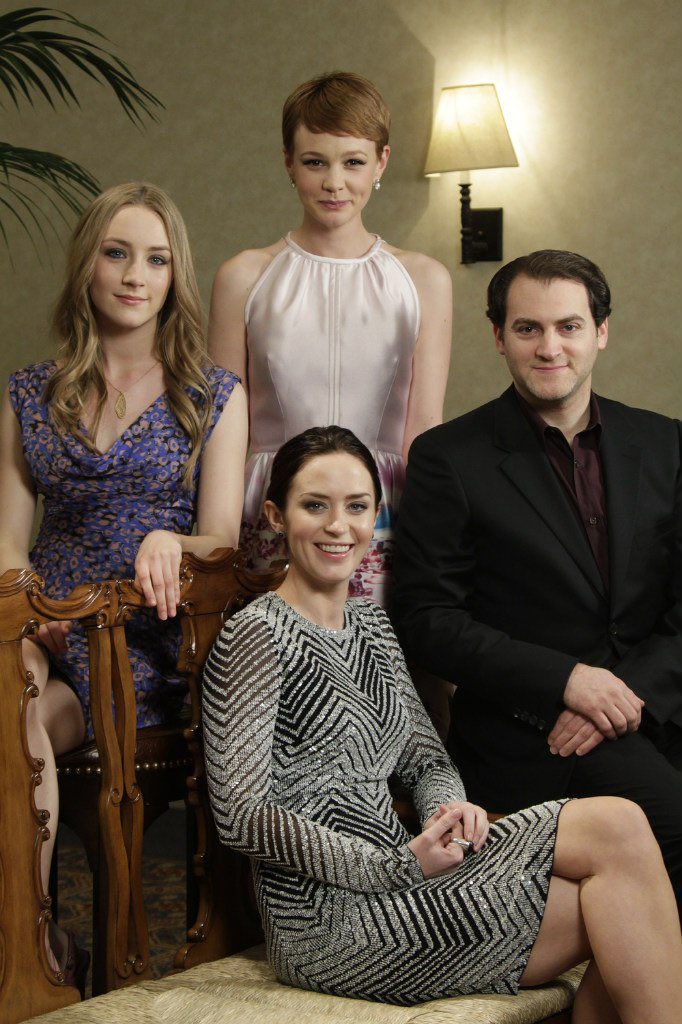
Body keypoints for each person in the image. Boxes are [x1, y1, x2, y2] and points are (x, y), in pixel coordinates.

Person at [203, 425, 682, 1022]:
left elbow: (425, 759)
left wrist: (446, 811)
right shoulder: (255, 635)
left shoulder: (372, 627)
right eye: (315, 506)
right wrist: (395, 867)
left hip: (411, 872)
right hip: (329, 922)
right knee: (621, 901)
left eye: (357, 507)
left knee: (621, 826)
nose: (338, 526)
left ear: (376, 516)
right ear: (276, 516)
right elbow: (241, 814)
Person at [0, 182, 247, 984]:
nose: (136, 275)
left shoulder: (213, 394)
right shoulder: (30, 391)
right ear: (88, 264)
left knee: (18, 722)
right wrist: (29, 603)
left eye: (156, 259)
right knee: (6, 695)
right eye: (117, 253)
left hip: (143, 640)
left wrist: (171, 539)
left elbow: (223, 537)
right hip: (47, 627)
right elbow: (5, 536)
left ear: (176, 276)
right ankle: (35, 940)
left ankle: (32, 949)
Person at [392, 249, 682, 906]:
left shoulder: (666, 444)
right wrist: (567, 681)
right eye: (528, 328)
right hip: (533, 731)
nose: (550, 347)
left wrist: (622, 696)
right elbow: (428, 620)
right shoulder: (448, 458)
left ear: (600, 331)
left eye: (568, 326)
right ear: (499, 337)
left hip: (659, 708)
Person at [207, 70, 452, 607]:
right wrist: (216, 543)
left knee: (383, 657)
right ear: (288, 163)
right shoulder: (243, 277)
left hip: (382, 511)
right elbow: (221, 428)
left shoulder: (423, 280)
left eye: (353, 162)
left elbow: (424, 427)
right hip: (272, 509)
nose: (334, 183)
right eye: (315, 162)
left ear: (382, 162)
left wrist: (431, 544)